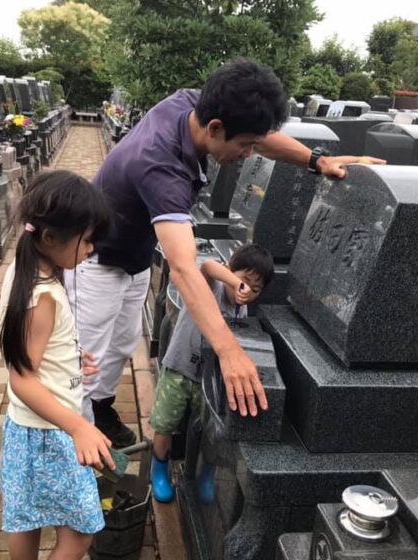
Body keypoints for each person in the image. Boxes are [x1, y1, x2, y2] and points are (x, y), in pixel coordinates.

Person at [66, 57, 385, 448]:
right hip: (95, 258)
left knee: (118, 348)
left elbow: (265, 138)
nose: (250, 154)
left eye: (253, 144)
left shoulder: (196, 105)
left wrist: (317, 161)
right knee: (86, 360)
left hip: (134, 255)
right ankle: (73, 447)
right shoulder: (161, 167)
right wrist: (230, 351)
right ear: (216, 129)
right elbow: (184, 269)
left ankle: (100, 412)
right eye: (245, 146)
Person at [0, 171, 116, 560]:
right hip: (52, 434)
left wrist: (70, 357)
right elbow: (23, 378)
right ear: (49, 236)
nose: (91, 250)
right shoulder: (44, 294)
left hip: (23, 429)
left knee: (25, 515)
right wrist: (79, 427)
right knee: (79, 535)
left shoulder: (23, 269)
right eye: (86, 241)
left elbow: (29, 352)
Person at [148, 244, 274, 502]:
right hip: (179, 368)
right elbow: (207, 267)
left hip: (206, 379)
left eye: (256, 289)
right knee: (164, 423)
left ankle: (206, 473)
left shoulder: (242, 311)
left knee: (211, 431)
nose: (247, 290)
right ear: (229, 271)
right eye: (243, 280)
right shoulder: (210, 287)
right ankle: (158, 469)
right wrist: (233, 280)